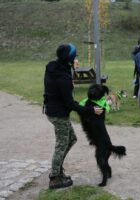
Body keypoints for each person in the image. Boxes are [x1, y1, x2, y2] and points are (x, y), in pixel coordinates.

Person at [43, 43, 103, 189]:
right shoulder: (62, 77)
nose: (77, 59)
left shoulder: (56, 67)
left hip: (55, 110)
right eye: (75, 57)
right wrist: (91, 110)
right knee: (62, 143)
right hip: (58, 114)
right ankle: (55, 178)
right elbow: (69, 103)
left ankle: (57, 170)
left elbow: (65, 99)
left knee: (71, 139)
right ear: (69, 59)